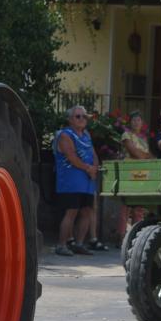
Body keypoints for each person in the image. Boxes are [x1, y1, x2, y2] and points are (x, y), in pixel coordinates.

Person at [52, 106, 105, 256]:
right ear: (70, 120)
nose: (82, 119)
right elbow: (71, 156)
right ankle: (61, 245)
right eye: (78, 116)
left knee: (87, 212)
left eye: (84, 116)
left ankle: (79, 244)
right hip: (71, 182)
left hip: (87, 181)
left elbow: (93, 154)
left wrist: (95, 167)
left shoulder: (86, 135)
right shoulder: (65, 135)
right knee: (71, 212)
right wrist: (88, 169)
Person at [118, 110, 151, 238]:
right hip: (128, 173)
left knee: (139, 207)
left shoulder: (144, 138)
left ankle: (137, 237)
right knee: (125, 207)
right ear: (130, 122)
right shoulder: (127, 135)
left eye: (139, 120)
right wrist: (145, 156)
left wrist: (144, 156)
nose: (136, 122)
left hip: (142, 174)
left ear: (142, 123)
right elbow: (134, 153)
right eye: (134, 120)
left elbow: (146, 155)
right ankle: (121, 238)